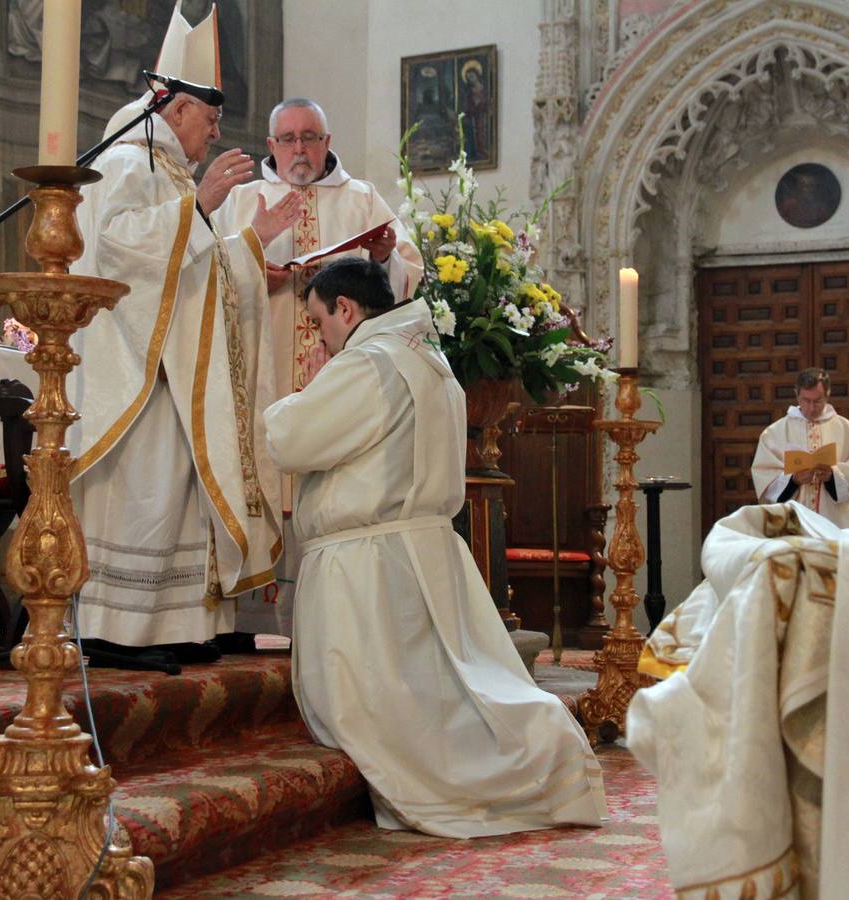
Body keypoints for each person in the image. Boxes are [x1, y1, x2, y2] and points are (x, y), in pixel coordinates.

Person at [262, 258, 607, 837]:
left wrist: (268, 406)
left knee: (388, 709)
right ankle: (539, 759)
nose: (321, 342)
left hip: (369, 565)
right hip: (416, 549)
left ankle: (490, 777)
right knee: (443, 688)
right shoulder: (429, 361)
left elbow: (292, 438)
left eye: (320, 323)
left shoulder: (368, 363)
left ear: (345, 309)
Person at [68, 5, 285, 664]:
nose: (213, 135)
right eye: (211, 120)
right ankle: (113, 631)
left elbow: (194, 265)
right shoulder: (129, 160)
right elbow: (115, 246)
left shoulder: (169, 173)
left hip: (172, 370)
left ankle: (165, 627)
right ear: (178, 108)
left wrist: (248, 248)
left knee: (168, 495)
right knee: (142, 492)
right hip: (134, 368)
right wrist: (203, 207)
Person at [215, 97, 422, 644]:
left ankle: (336, 624)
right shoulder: (242, 203)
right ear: (271, 146)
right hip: (265, 374)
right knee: (264, 469)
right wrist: (255, 264)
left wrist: (383, 259)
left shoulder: (363, 202)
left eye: (310, 137)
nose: (299, 149)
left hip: (342, 378)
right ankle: (255, 622)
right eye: (288, 139)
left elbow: (407, 277)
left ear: (328, 143)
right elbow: (204, 280)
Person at [750, 367, 849, 528]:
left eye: (817, 401)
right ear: (797, 395)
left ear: (828, 395)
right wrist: (793, 480)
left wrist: (832, 476)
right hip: (794, 521)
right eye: (806, 400)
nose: (811, 407)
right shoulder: (774, 433)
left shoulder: (847, 430)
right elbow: (764, 478)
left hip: (836, 520)